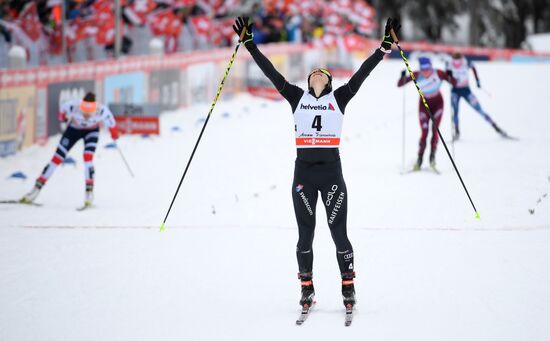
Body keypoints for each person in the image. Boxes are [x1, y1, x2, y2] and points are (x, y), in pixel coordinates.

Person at [233, 16, 401, 310]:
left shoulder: (340, 98)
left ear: (329, 80)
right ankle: (306, 287)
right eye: (312, 73)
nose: (316, 74)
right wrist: (250, 45)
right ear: (308, 81)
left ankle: (348, 286)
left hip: (331, 175)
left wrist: (384, 47)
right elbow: (272, 73)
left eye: (321, 72)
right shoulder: (297, 97)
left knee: (339, 234)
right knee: (304, 235)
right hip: (304, 177)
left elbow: (362, 73)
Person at [20, 92, 119, 207]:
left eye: (89, 113)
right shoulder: (73, 105)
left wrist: (114, 134)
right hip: (73, 131)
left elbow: (112, 124)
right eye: (84, 112)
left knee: (88, 159)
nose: (86, 115)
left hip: (91, 132)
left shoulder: (102, 110)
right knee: (56, 159)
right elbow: (62, 112)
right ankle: (35, 190)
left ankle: (89, 193)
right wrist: (62, 117)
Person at [397, 57, 455, 170]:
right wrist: (402, 77)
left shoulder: (438, 73)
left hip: (438, 104)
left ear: (431, 66)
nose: (426, 71)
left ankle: (432, 158)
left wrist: (450, 75)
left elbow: (454, 83)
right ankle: (419, 160)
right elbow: (400, 84)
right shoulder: (417, 75)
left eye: (428, 68)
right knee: (424, 132)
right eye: (423, 68)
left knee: (435, 130)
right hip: (424, 105)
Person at [446, 52, 509, 140]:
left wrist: (477, 80)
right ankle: (456, 132)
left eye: (458, 61)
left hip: (466, 91)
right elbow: (446, 75)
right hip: (455, 91)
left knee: (480, 110)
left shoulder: (466, 62)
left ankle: (496, 127)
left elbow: (474, 68)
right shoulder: (449, 63)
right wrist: (450, 79)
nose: (457, 63)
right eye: (455, 61)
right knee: (455, 112)